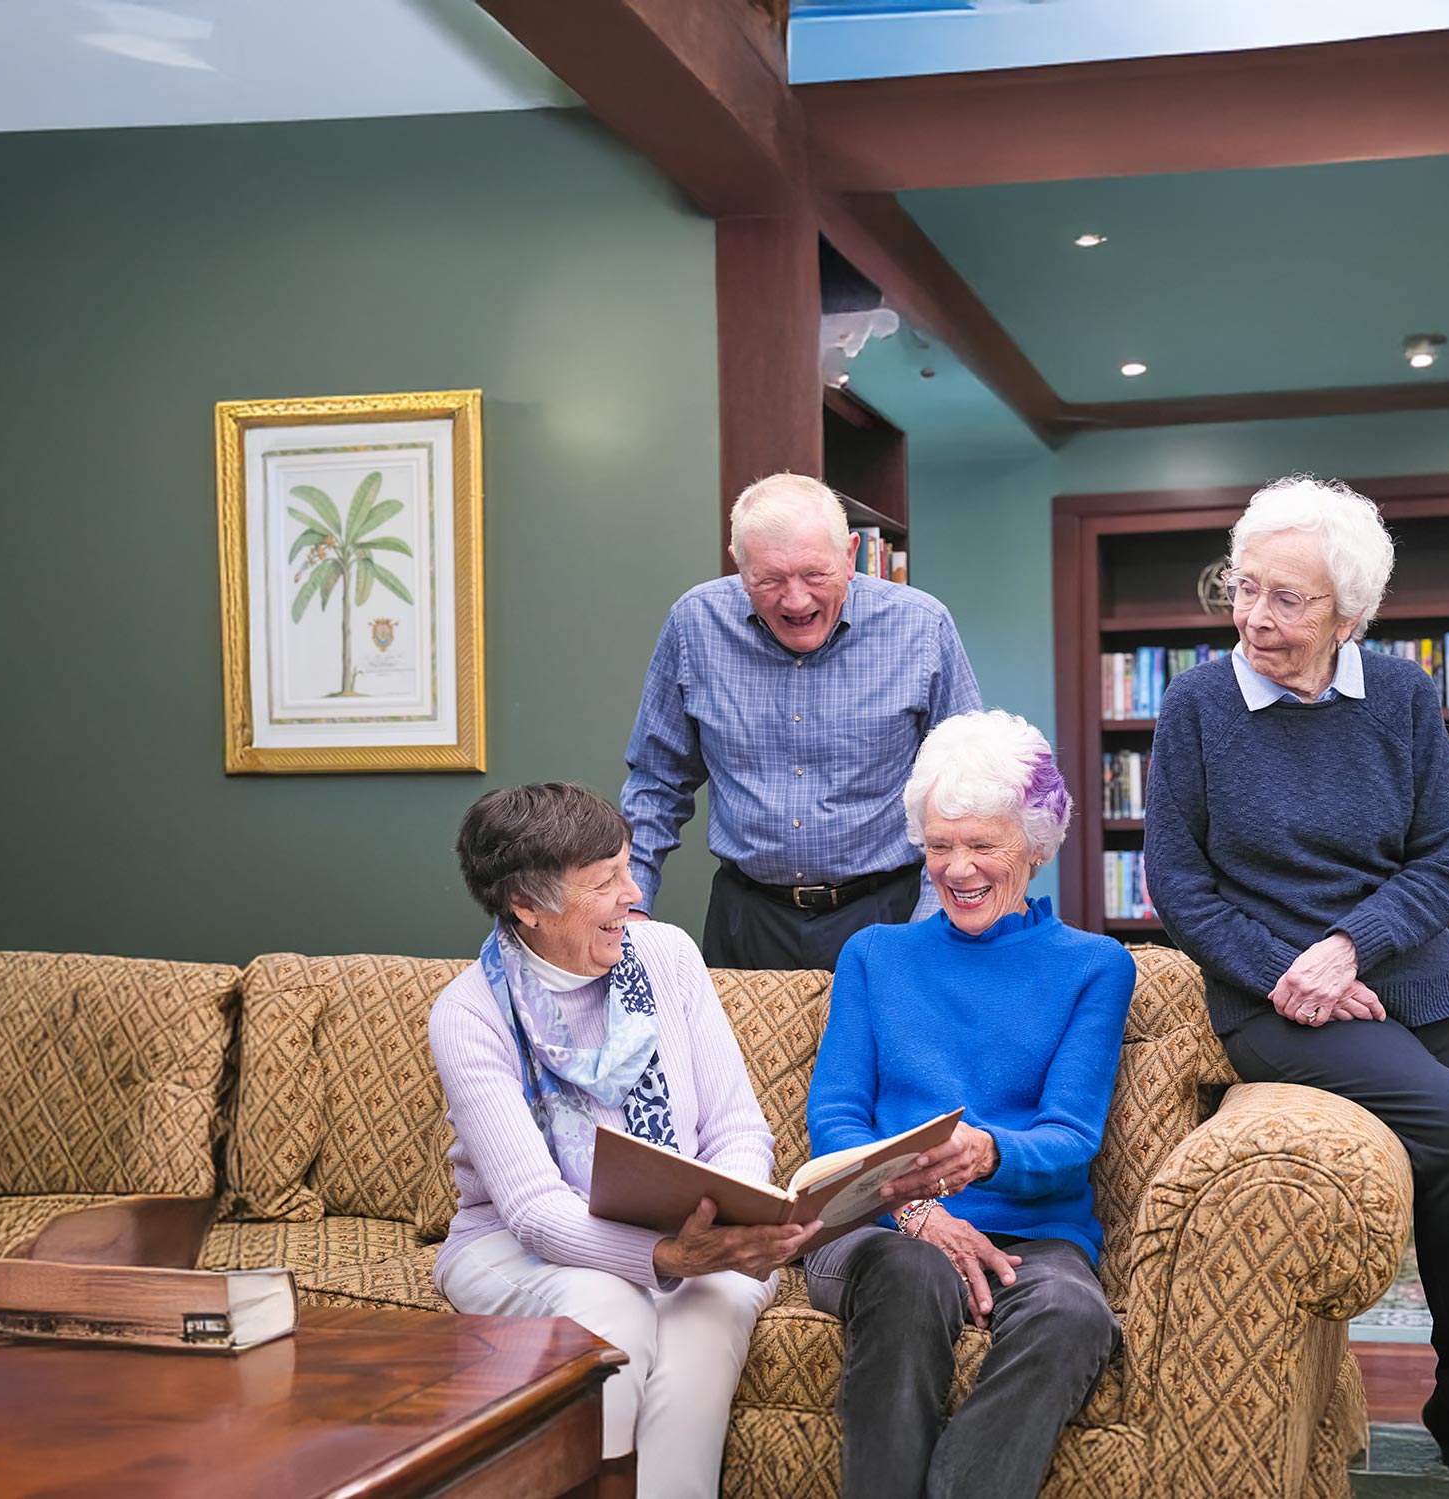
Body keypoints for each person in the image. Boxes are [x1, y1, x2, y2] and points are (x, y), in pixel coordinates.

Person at [1143, 477, 1449, 1497]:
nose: (1256, 615)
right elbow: (1176, 883)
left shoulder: (1399, 694)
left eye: (1287, 599)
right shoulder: (1197, 703)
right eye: (1244, 585)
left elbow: (1445, 857)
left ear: (1348, 615)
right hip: (1273, 1003)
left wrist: (1351, 942)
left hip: (1415, 978)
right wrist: (1284, 968)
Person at [429, 782, 820, 1499]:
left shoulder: (666, 955)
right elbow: (534, 1211)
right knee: (612, 1309)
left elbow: (736, 1126)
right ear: (528, 905)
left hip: (695, 1232)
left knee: (715, 1303)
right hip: (514, 1248)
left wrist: (729, 1224)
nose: (633, 894)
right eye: (605, 881)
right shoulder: (470, 1012)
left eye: (627, 868)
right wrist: (664, 1256)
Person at [803, 710, 1133, 1499]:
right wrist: (913, 1210)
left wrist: (989, 1152)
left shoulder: (1094, 966)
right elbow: (836, 1118)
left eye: (982, 844)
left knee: (1072, 1314)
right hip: (879, 1227)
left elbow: (1069, 1134)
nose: (957, 868)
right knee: (914, 1273)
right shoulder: (874, 955)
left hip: (1035, 1232)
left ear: (1035, 846)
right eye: (939, 844)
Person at [620, 472, 982, 970]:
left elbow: (965, 791)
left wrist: (929, 928)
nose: (795, 600)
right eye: (769, 580)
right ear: (740, 567)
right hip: (745, 917)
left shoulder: (921, 628)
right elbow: (657, 783)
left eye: (815, 575)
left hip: (889, 913)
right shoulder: (694, 625)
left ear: (850, 554)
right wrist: (629, 906)